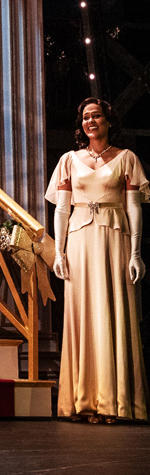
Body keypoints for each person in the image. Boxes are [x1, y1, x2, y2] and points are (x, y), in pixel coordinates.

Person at [46, 97, 149, 423]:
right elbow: (62, 209)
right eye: (86, 117)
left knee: (113, 311)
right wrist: (59, 251)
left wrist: (136, 253)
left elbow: (134, 207)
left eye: (97, 116)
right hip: (79, 242)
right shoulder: (69, 160)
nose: (90, 121)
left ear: (108, 121)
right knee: (82, 315)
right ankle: (83, 401)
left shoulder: (126, 158)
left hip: (114, 240)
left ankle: (114, 403)